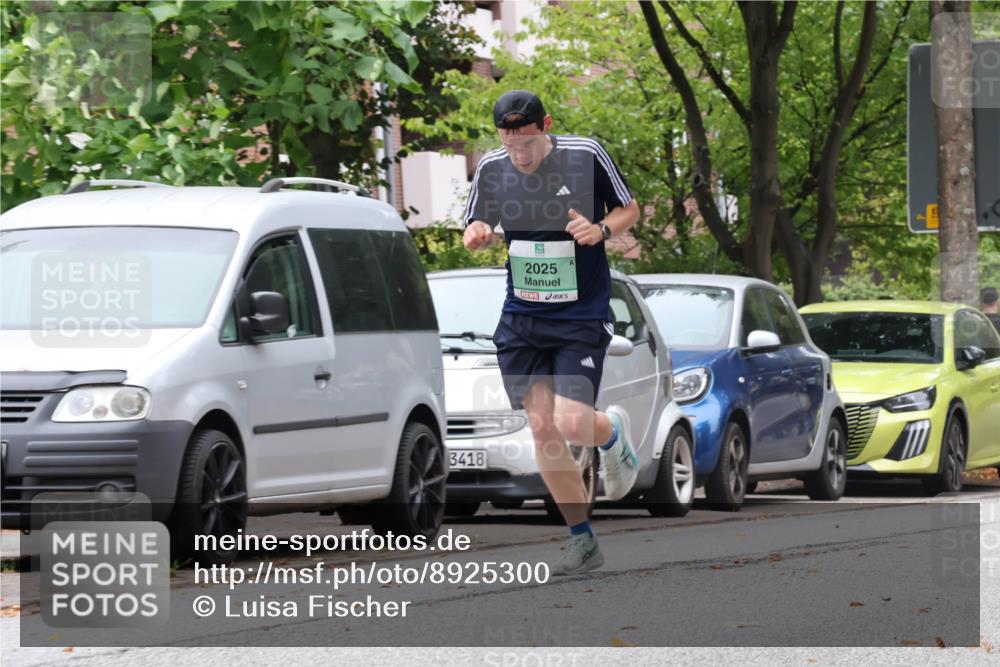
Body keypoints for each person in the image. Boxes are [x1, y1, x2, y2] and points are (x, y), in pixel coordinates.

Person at [462, 90, 641, 575]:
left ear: (546, 126)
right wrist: (475, 232)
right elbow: (476, 220)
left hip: (580, 315)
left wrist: (602, 230)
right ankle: (582, 538)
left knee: (574, 423)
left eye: (528, 141)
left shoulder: (585, 155)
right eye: (509, 142)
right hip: (522, 316)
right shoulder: (492, 168)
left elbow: (630, 210)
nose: (519, 153)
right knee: (542, 426)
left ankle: (612, 433)